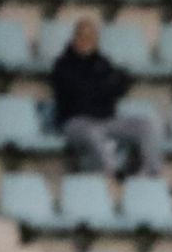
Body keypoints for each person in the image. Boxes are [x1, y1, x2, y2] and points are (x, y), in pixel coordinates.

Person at [49, 18, 162, 177]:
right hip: (76, 122)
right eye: (82, 35)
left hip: (106, 120)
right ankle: (112, 173)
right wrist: (104, 89)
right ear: (75, 38)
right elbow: (79, 96)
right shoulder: (63, 65)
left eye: (91, 36)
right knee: (93, 132)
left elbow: (119, 86)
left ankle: (151, 172)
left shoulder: (102, 62)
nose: (86, 40)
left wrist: (103, 89)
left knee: (146, 126)